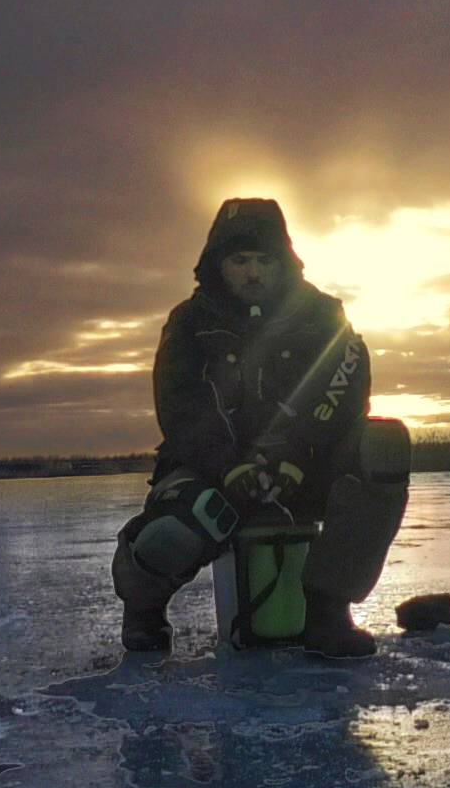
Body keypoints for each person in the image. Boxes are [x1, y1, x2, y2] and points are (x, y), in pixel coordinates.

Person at [111, 198, 407, 658]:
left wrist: (298, 454)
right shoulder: (188, 323)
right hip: (214, 473)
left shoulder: (326, 317)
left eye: (265, 261)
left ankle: (327, 611)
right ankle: (144, 612)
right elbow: (181, 408)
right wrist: (229, 467)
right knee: (169, 535)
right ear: (218, 264)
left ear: (283, 262)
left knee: (384, 445)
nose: (253, 273)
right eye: (240, 260)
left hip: (300, 467)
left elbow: (345, 394)